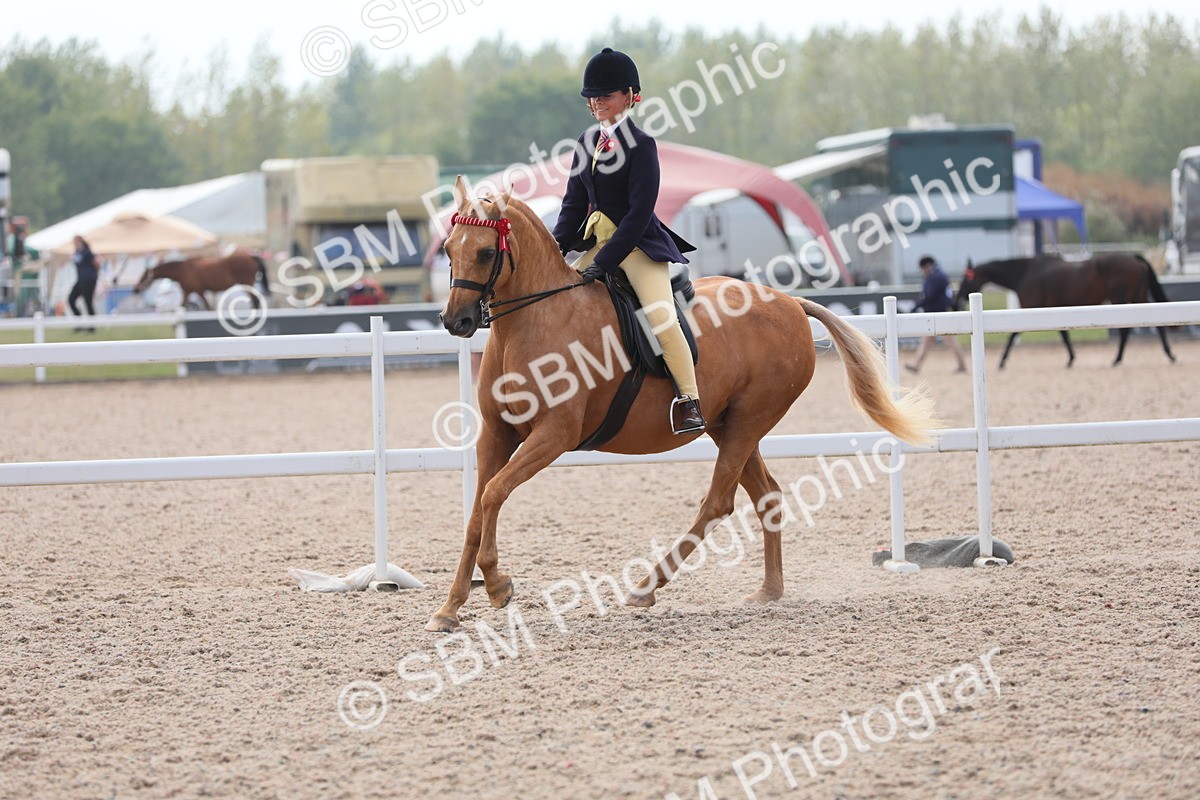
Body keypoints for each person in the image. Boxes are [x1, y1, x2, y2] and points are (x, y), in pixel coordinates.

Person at [551, 47, 704, 434]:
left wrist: (606, 261)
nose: (596, 102)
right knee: (555, 297)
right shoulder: (586, 142)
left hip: (636, 247)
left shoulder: (642, 145)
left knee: (661, 316)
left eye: (605, 95)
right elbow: (572, 205)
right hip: (597, 243)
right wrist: (553, 250)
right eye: (592, 96)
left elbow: (638, 213)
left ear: (630, 96)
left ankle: (690, 400)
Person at [905, 255, 967, 374]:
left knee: (949, 340)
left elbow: (929, 296)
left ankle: (962, 365)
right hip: (937, 313)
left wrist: (916, 306)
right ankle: (916, 365)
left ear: (927, 266)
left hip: (940, 313)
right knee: (928, 340)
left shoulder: (936, 277)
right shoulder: (938, 275)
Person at [69, 235, 99, 331]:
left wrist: (94, 275)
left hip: (88, 279)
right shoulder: (77, 252)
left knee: (88, 302)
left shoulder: (87, 251)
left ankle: (92, 327)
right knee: (71, 299)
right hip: (81, 279)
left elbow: (96, 264)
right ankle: (79, 323)